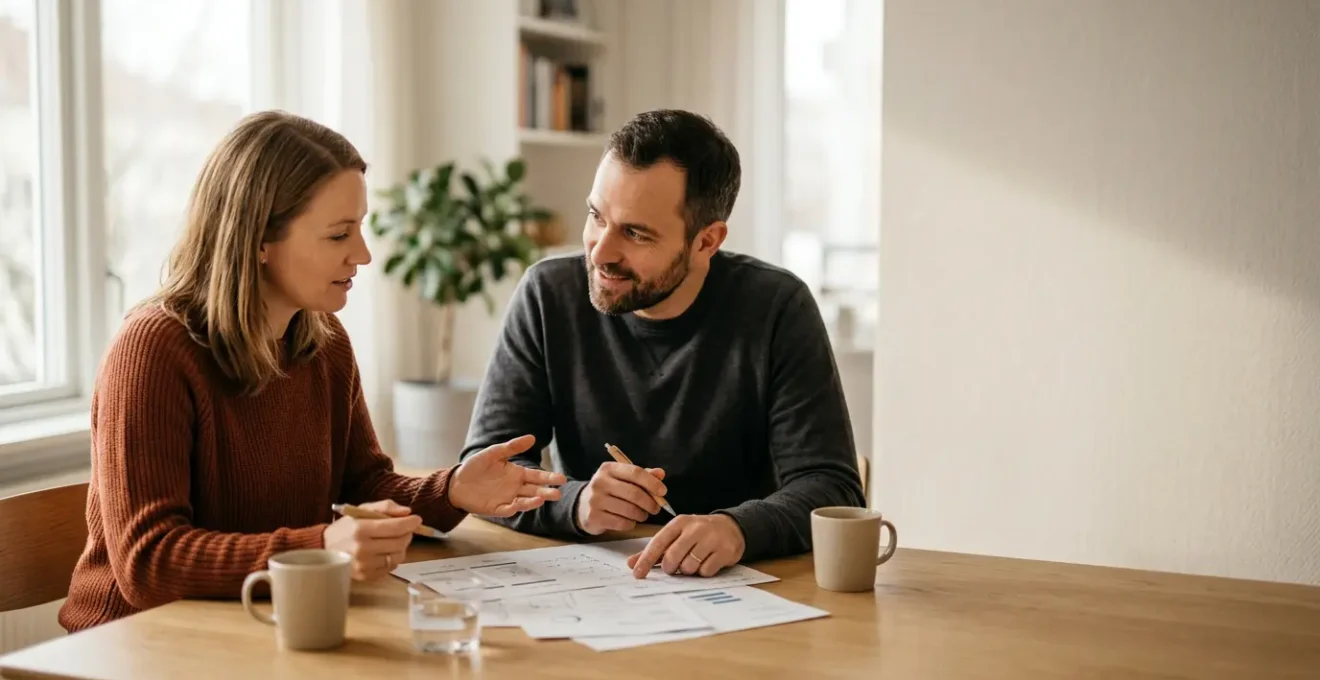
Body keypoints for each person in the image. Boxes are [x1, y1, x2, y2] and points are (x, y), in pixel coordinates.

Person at [58, 111, 566, 633]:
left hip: (263, 628)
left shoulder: (322, 342)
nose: (363, 254)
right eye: (338, 234)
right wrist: (319, 546)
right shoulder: (153, 351)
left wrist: (452, 489)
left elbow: (363, 484)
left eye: (361, 227)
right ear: (259, 239)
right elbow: (149, 562)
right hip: (135, 645)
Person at [458, 109, 866, 579]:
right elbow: (484, 472)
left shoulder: (777, 307)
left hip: (742, 594)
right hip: (599, 585)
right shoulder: (548, 295)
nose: (600, 251)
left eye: (635, 233)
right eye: (596, 216)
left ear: (706, 241)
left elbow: (832, 489)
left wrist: (737, 528)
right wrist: (577, 503)